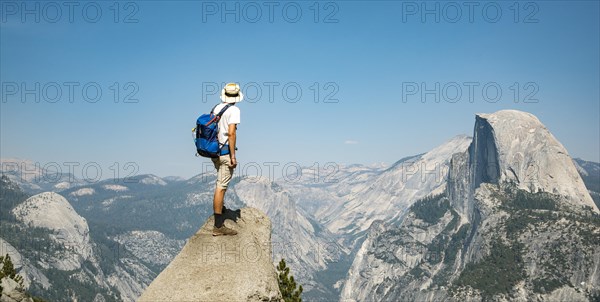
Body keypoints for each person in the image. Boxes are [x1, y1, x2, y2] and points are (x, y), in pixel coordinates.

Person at [211, 83, 242, 236]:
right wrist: (233, 156)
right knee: (221, 186)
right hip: (224, 152)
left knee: (220, 181)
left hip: (214, 152)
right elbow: (231, 133)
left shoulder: (217, 108)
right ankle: (218, 226)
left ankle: (220, 209)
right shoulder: (234, 110)